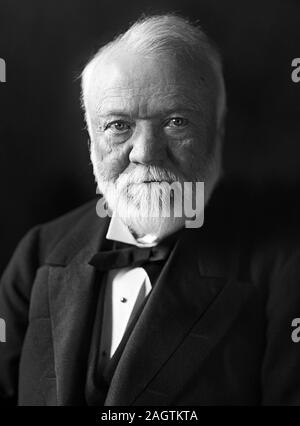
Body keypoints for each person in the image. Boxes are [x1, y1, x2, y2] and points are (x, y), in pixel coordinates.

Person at [1, 14, 300, 406]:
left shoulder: (283, 267)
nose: (144, 152)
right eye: (118, 125)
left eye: (176, 122)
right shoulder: (39, 252)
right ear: (92, 138)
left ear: (217, 131)